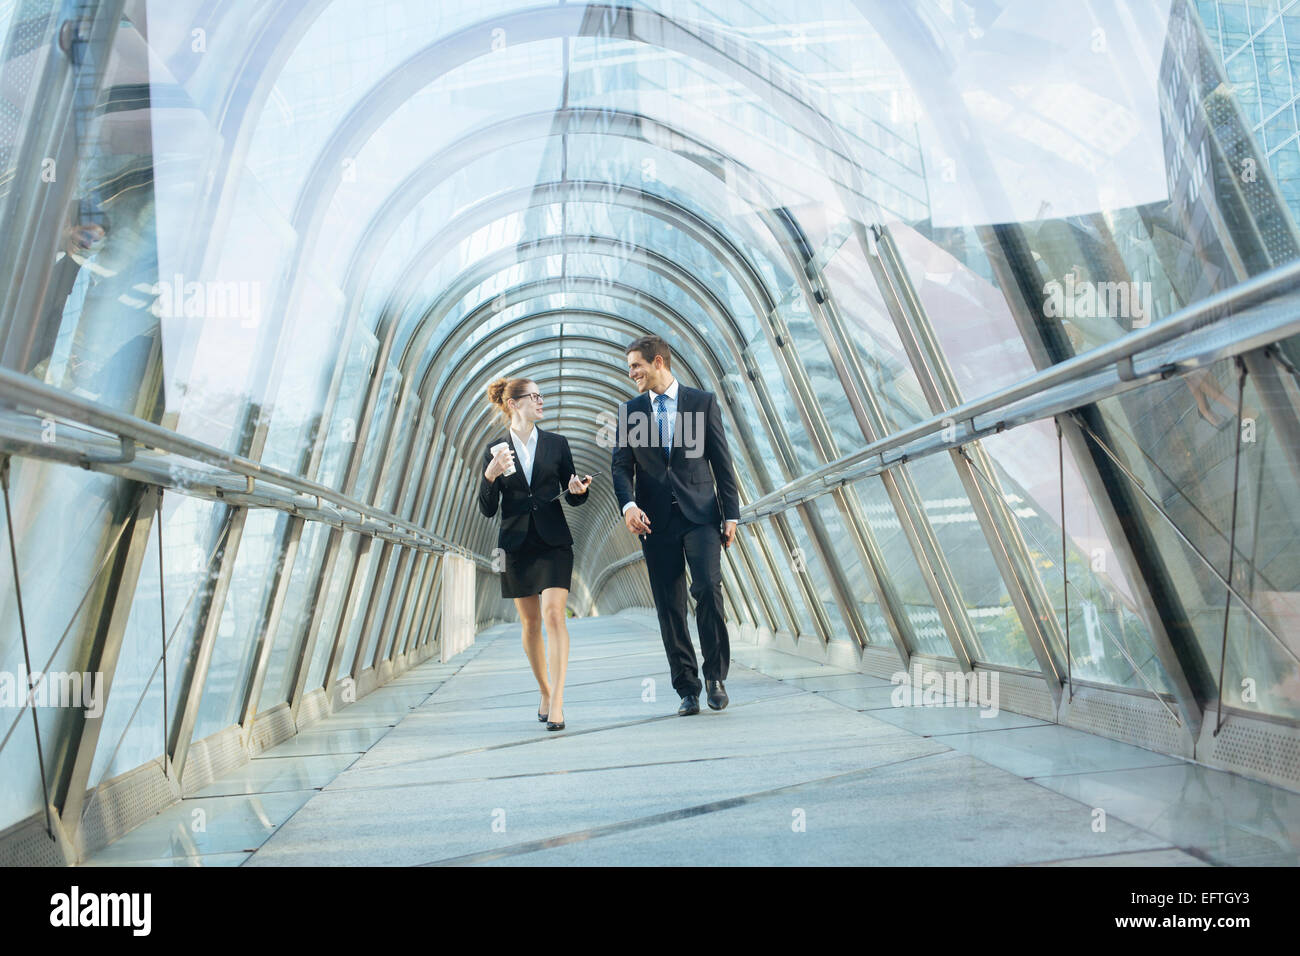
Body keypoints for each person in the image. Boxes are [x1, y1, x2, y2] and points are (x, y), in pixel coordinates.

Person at [611, 335, 740, 716]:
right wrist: (629, 504)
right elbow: (620, 467)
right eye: (630, 366)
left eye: (637, 365)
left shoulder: (701, 403)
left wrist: (731, 514)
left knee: (708, 589)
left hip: (700, 514)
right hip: (654, 522)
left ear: (659, 362)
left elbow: (722, 462)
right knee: (670, 605)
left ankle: (715, 675)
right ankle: (687, 688)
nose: (631, 372)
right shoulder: (632, 412)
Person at [478, 377, 592, 731]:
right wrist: (490, 476)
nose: (541, 402)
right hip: (516, 545)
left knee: (554, 615)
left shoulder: (557, 444)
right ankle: (544, 690)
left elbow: (572, 494)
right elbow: (486, 508)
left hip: (554, 541)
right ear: (514, 404)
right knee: (530, 624)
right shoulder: (495, 449)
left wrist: (577, 490)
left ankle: (557, 702)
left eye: (542, 396)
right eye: (534, 397)